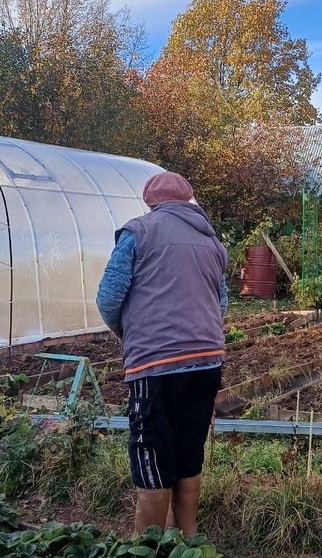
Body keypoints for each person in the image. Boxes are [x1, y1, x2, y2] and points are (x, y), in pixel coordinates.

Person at [96, 171, 228, 536]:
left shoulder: (138, 232)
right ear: (189, 199)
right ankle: (187, 541)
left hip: (156, 364)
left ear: (150, 202)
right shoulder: (212, 241)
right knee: (188, 453)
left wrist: (126, 332)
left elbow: (109, 297)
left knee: (151, 457)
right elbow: (221, 303)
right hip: (207, 361)